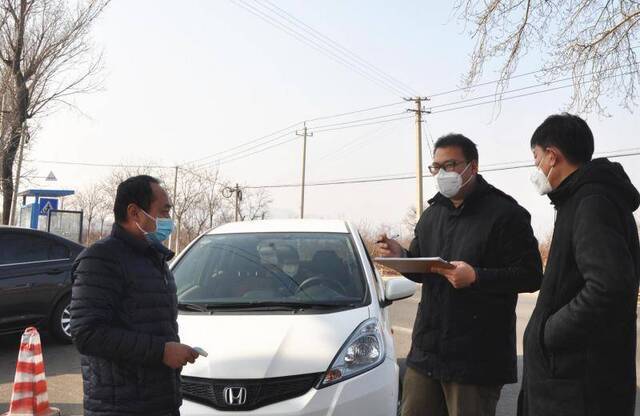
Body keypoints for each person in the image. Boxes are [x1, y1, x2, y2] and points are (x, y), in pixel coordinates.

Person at [378, 134, 543, 416]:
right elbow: (424, 270)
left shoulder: (505, 214)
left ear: (473, 167)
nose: (443, 174)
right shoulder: (432, 215)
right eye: (436, 167)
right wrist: (402, 257)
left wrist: (476, 277)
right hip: (427, 354)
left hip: (476, 360)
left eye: (451, 164)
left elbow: (530, 276)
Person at [518, 113, 640, 416]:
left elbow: (608, 287)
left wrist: (548, 334)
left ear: (552, 156)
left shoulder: (591, 202)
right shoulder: (579, 200)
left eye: (536, 157)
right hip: (574, 381)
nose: (536, 167)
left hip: (579, 387)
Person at [70, 175, 199, 416]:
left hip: (158, 401)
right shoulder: (101, 259)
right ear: (135, 212)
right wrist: (161, 351)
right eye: (163, 212)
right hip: (120, 406)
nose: (168, 220)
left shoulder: (153, 258)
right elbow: (86, 333)